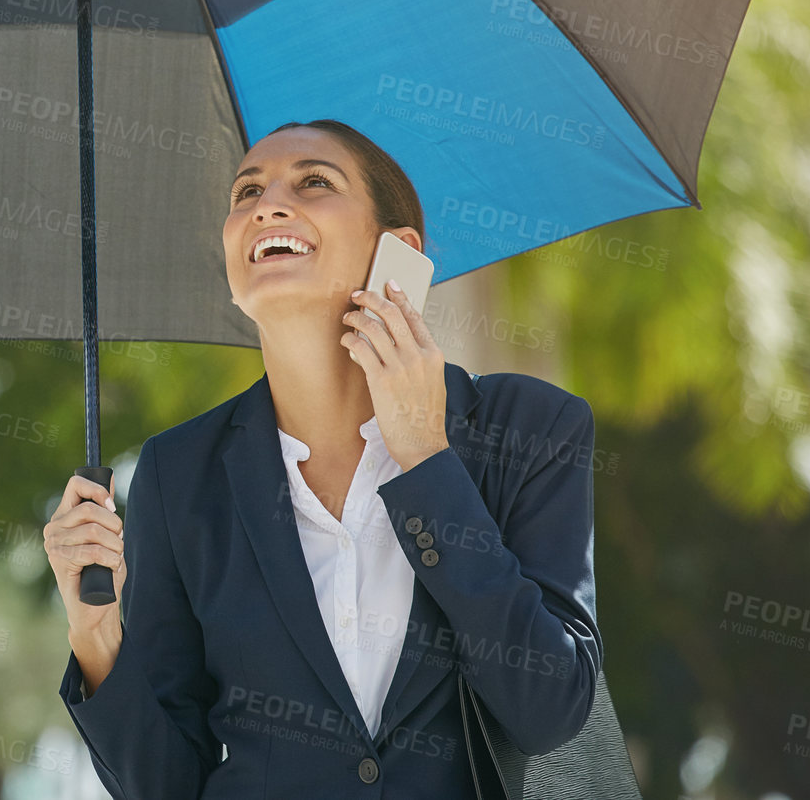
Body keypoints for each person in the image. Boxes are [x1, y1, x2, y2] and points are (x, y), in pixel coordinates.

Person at [43, 119, 601, 799]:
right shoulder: (177, 474)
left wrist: (425, 458)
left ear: (398, 253)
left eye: (313, 182)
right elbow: (168, 786)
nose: (265, 206)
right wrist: (96, 636)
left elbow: (550, 712)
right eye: (245, 193)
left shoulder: (531, 430)